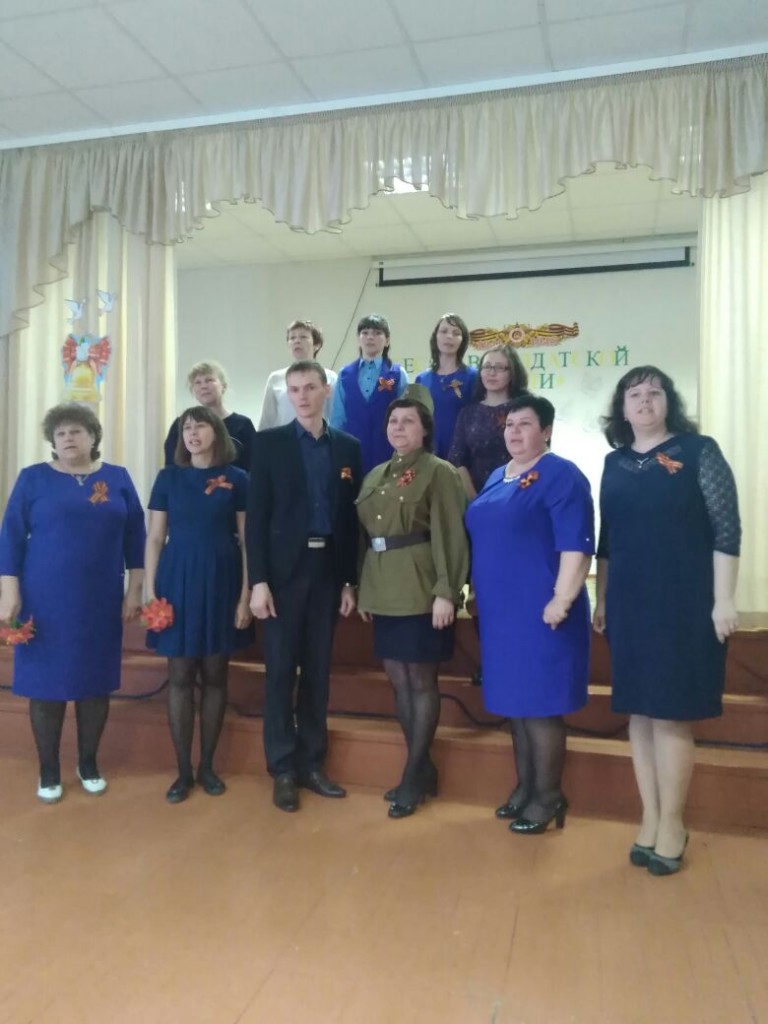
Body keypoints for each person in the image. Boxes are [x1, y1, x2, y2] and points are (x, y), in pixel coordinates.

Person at [593, 366, 740, 875]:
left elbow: (727, 530)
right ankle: (651, 816)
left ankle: (674, 823)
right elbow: (607, 540)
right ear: (622, 407)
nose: (645, 400)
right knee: (638, 712)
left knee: (670, 713)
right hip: (629, 603)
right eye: (635, 394)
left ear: (668, 401)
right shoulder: (614, 463)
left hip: (685, 601)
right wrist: (602, 599)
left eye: (654, 392)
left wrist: (724, 600)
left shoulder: (700, 451)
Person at [0, 403, 145, 803]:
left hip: (99, 599)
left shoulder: (117, 477)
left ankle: (88, 763)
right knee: (46, 685)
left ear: (93, 437)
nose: (68, 438)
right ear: (52, 440)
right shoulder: (33, 478)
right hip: (44, 599)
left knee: (94, 683)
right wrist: (9, 590)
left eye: (76, 431)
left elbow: (136, 535)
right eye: (60, 433)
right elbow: (10, 535)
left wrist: (135, 588)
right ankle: (48, 769)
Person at [466, 394, 594, 834]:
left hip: (543, 611)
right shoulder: (497, 476)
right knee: (516, 706)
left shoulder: (561, 475)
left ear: (547, 431)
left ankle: (548, 797)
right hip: (501, 616)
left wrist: (562, 599)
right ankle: (525, 787)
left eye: (525, 424)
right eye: (509, 425)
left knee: (540, 707)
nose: (514, 432)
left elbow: (577, 544)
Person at [247, 360, 362, 813]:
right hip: (281, 576)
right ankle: (283, 769)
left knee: (317, 673)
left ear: (325, 391)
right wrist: (258, 582)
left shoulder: (348, 447)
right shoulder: (269, 444)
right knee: (280, 673)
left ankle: (312, 764)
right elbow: (257, 519)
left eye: (310, 388)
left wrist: (349, 579)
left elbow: (350, 520)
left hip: (327, 572)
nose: (301, 396)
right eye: (294, 389)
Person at [356, 384, 469, 819]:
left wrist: (447, 591)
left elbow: (450, 533)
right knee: (399, 683)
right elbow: (366, 538)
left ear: (425, 430)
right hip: (384, 588)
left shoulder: (438, 472)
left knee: (421, 682)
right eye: (393, 421)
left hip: (422, 587)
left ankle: (412, 775)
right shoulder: (376, 474)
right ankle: (422, 769)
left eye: (408, 421)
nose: (398, 427)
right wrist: (363, 588)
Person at [146, 406, 254, 803]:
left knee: (215, 674)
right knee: (179, 675)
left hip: (223, 580)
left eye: (200, 426)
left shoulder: (239, 478)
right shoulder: (168, 478)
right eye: (186, 428)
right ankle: (182, 770)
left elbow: (248, 540)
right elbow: (155, 537)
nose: (192, 433)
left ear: (216, 433)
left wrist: (245, 594)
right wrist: (150, 590)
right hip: (176, 580)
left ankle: (207, 766)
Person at [330, 314, 409, 474]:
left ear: (387, 340)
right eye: (365, 333)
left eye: (377, 333)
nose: (370, 337)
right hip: (351, 454)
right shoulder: (345, 374)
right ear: (358, 339)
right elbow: (338, 419)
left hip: (388, 452)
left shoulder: (398, 374)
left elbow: (406, 418)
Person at [448, 344, 529, 500]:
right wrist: (476, 500)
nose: (492, 373)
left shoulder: (526, 409)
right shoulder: (468, 412)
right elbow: (457, 459)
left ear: (512, 372)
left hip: (519, 495)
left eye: (499, 367)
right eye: (487, 367)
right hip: (475, 497)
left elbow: (535, 456)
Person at [163, 360, 256, 472]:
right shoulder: (181, 424)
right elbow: (172, 464)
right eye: (197, 382)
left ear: (223, 386)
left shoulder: (243, 424)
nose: (203, 386)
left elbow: (254, 465)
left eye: (209, 380)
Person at [415, 313, 478, 460]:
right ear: (435, 337)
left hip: (464, 455)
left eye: (456, 333)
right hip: (429, 455)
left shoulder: (472, 376)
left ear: (463, 340)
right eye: (444, 331)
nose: (449, 336)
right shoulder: (422, 379)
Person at [258, 319, 338, 429]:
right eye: (292, 338)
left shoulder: (330, 377)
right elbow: (266, 421)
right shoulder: (276, 378)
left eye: (303, 337)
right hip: (283, 438)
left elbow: (336, 418)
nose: (297, 341)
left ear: (317, 345)